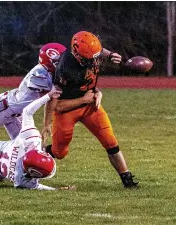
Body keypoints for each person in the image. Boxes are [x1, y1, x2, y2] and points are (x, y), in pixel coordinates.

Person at [41, 31, 139, 188]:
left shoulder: (92, 52)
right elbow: (56, 104)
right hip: (67, 109)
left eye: (96, 56)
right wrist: (46, 124)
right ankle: (34, 157)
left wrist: (111, 54)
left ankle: (128, 181)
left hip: (90, 106)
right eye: (89, 58)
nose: (94, 61)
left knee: (110, 141)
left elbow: (100, 52)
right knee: (59, 153)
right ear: (76, 53)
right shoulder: (65, 68)